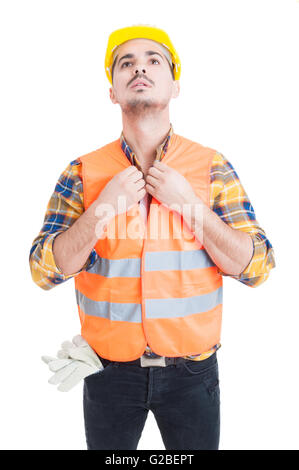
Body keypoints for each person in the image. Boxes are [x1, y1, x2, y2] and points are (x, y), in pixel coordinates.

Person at [29, 24, 276, 450]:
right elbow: (43, 271)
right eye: (126, 63)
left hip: (192, 375)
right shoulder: (82, 173)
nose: (139, 69)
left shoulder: (211, 167)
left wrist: (189, 204)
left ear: (174, 84)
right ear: (113, 90)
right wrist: (104, 207)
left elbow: (257, 268)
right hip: (107, 372)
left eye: (152, 61)